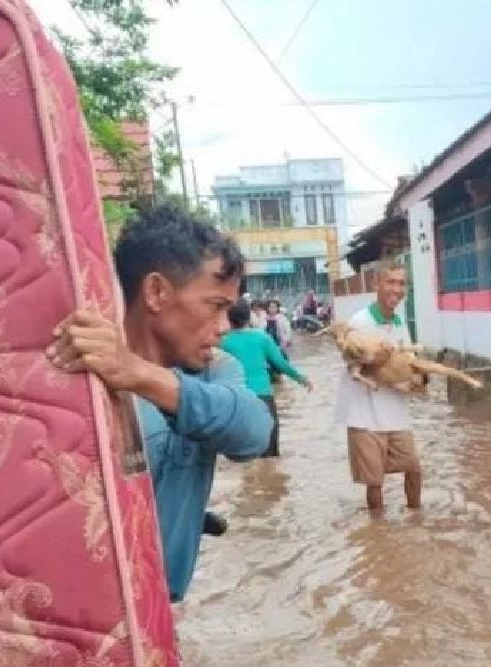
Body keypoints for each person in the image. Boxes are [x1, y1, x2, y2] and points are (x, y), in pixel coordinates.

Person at [47, 203, 272, 602]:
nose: (224, 327)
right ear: (156, 293)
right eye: (215, 306)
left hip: (162, 607)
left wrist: (138, 374)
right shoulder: (79, 372)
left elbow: (254, 432)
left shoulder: (215, 370)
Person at [334, 261, 420, 514]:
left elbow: (406, 361)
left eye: (401, 283)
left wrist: (416, 379)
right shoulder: (360, 322)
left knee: (414, 467)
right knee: (374, 481)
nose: (397, 289)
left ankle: (416, 516)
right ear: (376, 285)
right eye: (390, 282)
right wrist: (380, 365)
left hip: (395, 410)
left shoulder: (400, 322)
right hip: (364, 413)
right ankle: (378, 528)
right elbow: (351, 362)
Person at [221, 298, 312, 457]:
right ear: (249, 316)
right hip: (263, 396)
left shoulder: (223, 342)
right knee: (270, 454)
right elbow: (281, 363)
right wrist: (301, 378)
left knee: (243, 454)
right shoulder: (262, 338)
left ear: (228, 318)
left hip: (236, 399)